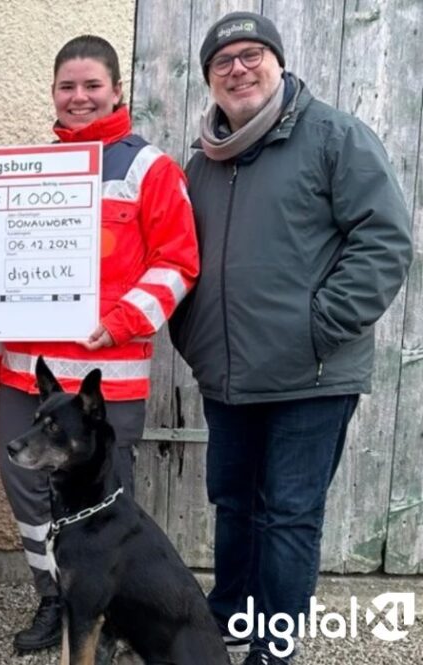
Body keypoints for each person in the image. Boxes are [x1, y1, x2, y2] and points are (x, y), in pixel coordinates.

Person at [169, 12, 413, 664]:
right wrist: (191, 333)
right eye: (224, 61)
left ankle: (273, 647)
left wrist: (318, 329)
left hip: (311, 375)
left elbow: (384, 241)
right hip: (227, 374)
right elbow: (183, 257)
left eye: (252, 55)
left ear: (277, 62)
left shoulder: (333, 137)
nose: (239, 68)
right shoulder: (203, 162)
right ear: (209, 79)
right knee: (233, 504)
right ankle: (231, 618)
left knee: (288, 516)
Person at [0, 35, 200, 655]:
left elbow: (178, 262)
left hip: (107, 384)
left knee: (104, 514)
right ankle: (57, 600)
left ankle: (116, 622)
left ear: (117, 90)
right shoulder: (30, 168)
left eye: (92, 86)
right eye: (67, 87)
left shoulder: (149, 168)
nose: (79, 97)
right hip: (29, 378)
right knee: (25, 492)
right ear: (53, 92)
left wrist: (124, 318)